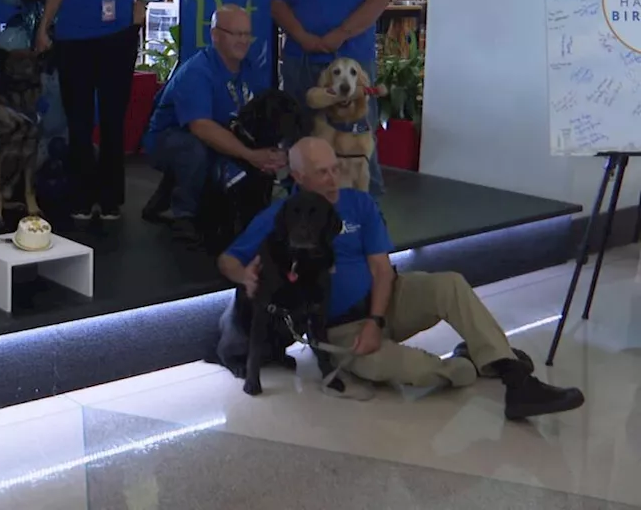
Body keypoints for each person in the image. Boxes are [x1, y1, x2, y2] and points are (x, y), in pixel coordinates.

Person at [218, 137, 586, 420]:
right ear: (298, 177)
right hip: (343, 329)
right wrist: (245, 275)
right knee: (402, 370)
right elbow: (228, 260)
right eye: (322, 173)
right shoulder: (280, 214)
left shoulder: (358, 204)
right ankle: (470, 363)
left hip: (386, 299)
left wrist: (378, 320)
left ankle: (516, 380)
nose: (334, 179)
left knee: (449, 284)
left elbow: (381, 268)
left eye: (335, 168)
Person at [36, 0, 153, 222]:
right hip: (74, 37)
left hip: (117, 36)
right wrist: (44, 26)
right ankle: (83, 196)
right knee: (80, 120)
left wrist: (140, 6)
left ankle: (112, 197)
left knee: (114, 118)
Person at [272, 0, 391, 197]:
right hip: (303, 59)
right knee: (300, 131)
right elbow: (278, 2)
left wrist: (342, 33)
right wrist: (302, 36)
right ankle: (297, 200)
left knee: (357, 136)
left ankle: (366, 208)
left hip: (353, 60)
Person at [141, 5, 286, 243]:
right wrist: (251, 155)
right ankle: (183, 214)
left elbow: (264, 114)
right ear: (216, 35)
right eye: (235, 34)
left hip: (217, 132)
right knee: (194, 149)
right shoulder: (197, 71)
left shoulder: (249, 68)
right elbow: (201, 127)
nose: (243, 41)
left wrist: (276, 152)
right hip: (170, 138)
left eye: (246, 34)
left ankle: (171, 190)